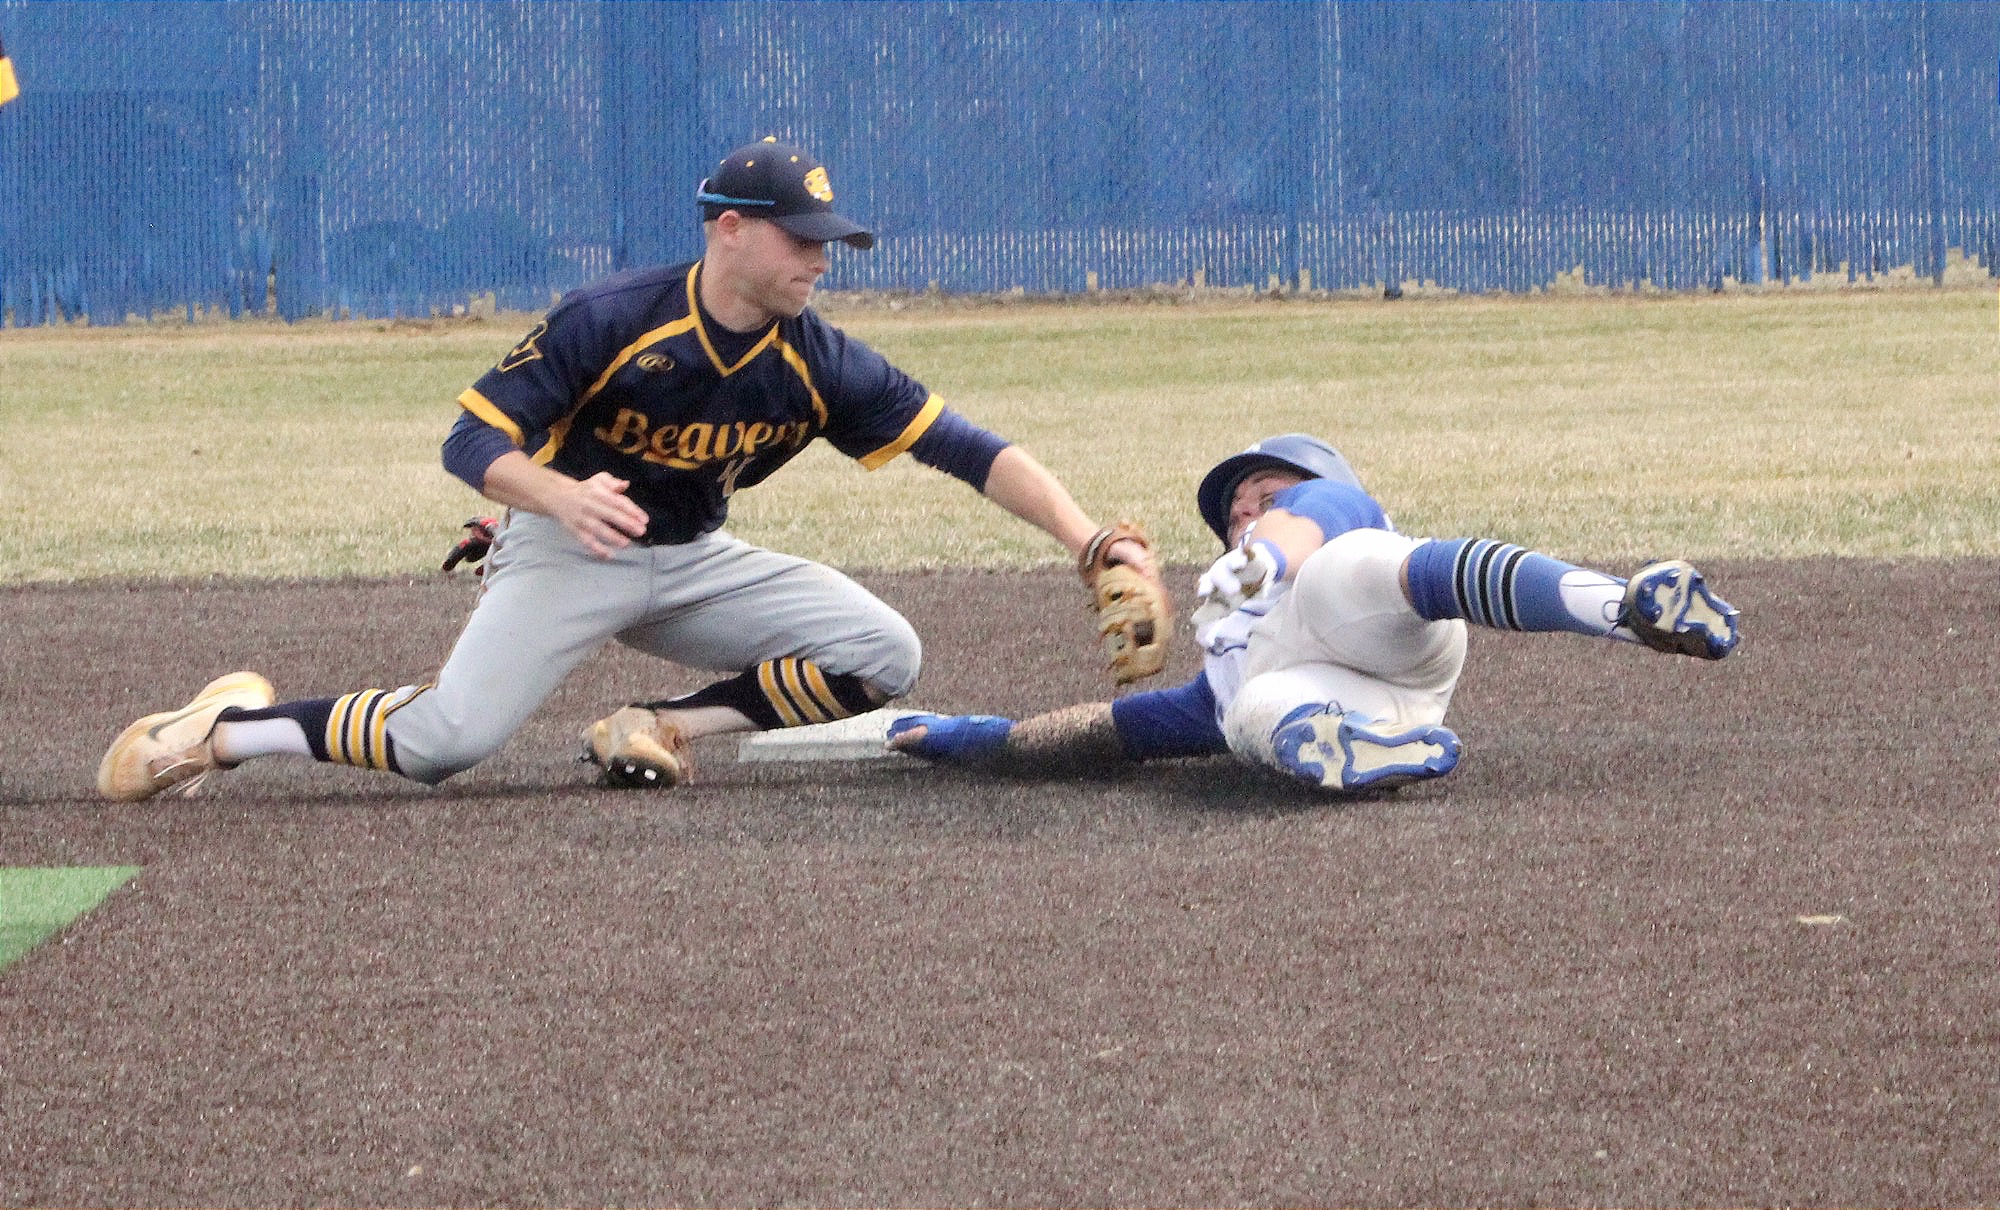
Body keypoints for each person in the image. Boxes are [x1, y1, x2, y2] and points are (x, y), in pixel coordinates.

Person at [97, 137, 1153, 801]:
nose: (819, 259)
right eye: (800, 239)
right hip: (565, 554)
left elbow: (966, 448)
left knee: (882, 651)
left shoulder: (817, 358)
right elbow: (470, 440)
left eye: (826, 242)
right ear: (729, 231)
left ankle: (659, 726)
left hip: (692, 561)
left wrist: (1087, 539)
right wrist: (552, 496)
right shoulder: (611, 320)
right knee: (442, 742)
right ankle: (222, 732)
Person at [888, 433, 1740, 793]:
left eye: (1265, 494)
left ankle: (1623, 608)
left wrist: (1268, 553)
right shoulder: (1227, 657)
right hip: (1385, 702)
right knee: (1247, 713)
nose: (1247, 511)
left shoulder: (1331, 511)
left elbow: (1310, 527)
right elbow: (1110, 733)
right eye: (1237, 512)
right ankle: (1373, 750)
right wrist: (979, 739)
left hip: (1393, 626)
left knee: (1351, 570)